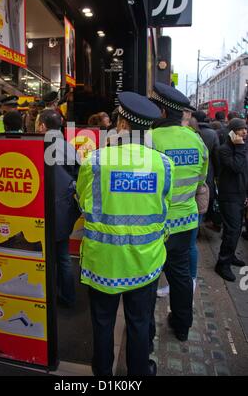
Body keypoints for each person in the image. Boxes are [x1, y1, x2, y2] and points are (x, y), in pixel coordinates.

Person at [76, 92, 174, 376]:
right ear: (149, 128)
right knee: (140, 322)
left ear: (121, 123)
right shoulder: (164, 164)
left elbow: (84, 203)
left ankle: (103, 374)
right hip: (145, 260)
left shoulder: (95, 160)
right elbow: (163, 209)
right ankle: (139, 372)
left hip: (103, 260)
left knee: (103, 322)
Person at [150, 83, 208, 342]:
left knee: (149, 278)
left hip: (157, 225)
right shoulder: (196, 139)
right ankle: (182, 326)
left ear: (162, 111)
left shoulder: (150, 139)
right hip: (186, 222)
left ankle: (145, 332)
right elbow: (200, 182)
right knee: (181, 275)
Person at [39, 110, 80, 307]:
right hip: (63, 209)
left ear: (42, 126)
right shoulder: (69, 148)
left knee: (43, 257)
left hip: (39, 211)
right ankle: (69, 297)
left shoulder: (36, 146)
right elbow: (79, 176)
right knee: (63, 256)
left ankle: (44, 296)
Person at [215, 118, 248, 281]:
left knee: (233, 231)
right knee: (232, 230)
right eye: (241, 129)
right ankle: (222, 264)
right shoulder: (224, 149)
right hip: (228, 196)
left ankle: (231, 255)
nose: (244, 132)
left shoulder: (242, 148)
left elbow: (245, 172)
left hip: (240, 194)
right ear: (232, 131)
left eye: (245, 129)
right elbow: (236, 167)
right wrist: (240, 147)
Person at [192, 111, 220, 229]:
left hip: (191, 171)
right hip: (207, 171)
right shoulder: (212, 134)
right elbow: (216, 156)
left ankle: (193, 227)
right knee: (202, 197)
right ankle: (200, 223)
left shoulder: (190, 132)